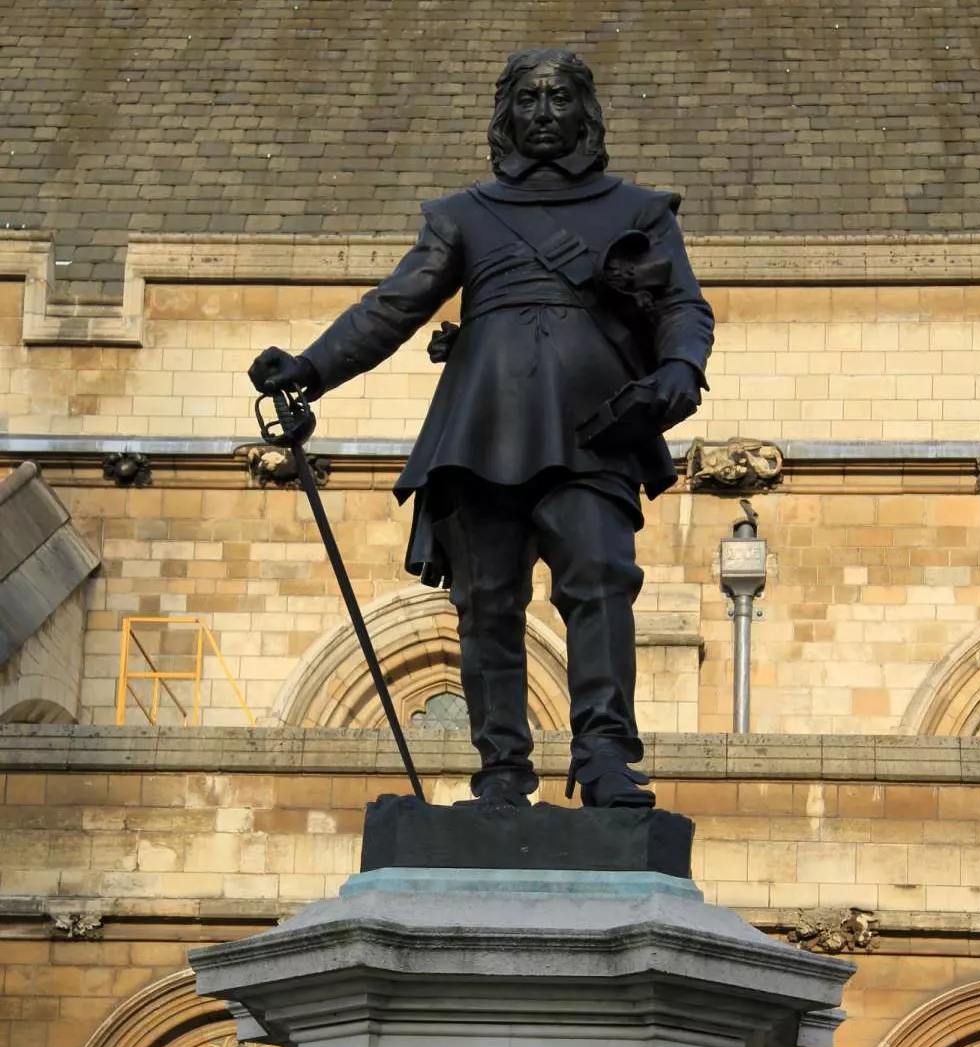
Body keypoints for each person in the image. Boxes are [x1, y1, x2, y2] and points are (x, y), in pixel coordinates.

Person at [249, 48, 714, 809]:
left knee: (599, 579)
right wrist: (309, 366)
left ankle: (603, 753)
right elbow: (391, 308)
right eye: (526, 100)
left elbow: (683, 307)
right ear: (505, 117)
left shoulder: (638, 211)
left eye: (558, 98)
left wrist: (680, 369)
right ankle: (502, 769)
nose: (542, 113)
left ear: (585, 113)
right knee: (488, 603)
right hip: (482, 428)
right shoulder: (463, 214)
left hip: (594, 428)